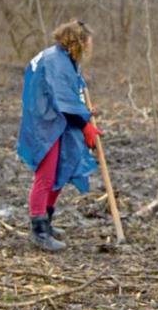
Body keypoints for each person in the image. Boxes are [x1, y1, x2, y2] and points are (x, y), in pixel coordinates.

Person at [17, 19, 102, 251]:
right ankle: (39, 230)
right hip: (46, 124)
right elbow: (63, 102)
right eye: (88, 43)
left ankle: (47, 220)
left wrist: (85, 112)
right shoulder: (56, 61)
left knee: (60, 171)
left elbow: (71, 95)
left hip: (56, 121)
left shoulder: (64, 59)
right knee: (46, 175)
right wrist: (84, 125)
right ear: (79, 42)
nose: (89, 48)